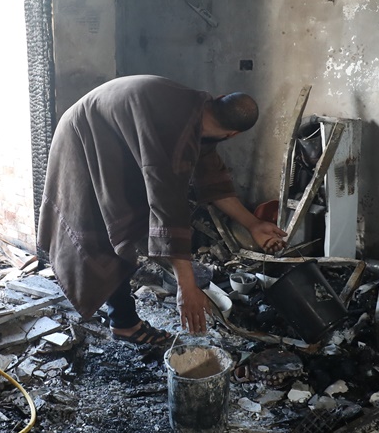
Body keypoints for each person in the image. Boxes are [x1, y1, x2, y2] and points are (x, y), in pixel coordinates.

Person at [37, 75, 286, 350]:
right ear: (233, 134)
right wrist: (186, 286)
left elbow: (211, 179)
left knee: (124, 221)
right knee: (108, 227)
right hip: (83, 138)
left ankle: (118, 314)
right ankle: (124, 323)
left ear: (219, 97)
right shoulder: (175, 136)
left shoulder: (198, 109)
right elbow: (170, 209)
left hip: (105, 132)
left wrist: (252, 224)